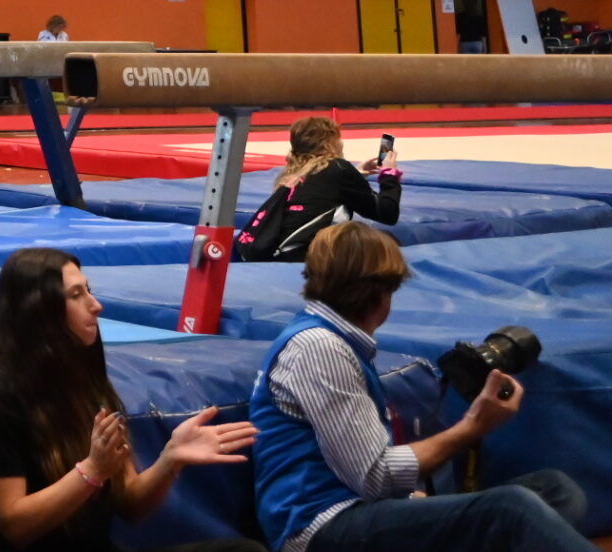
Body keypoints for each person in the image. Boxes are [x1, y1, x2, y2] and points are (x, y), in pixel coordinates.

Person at [250, 222, 591, 552]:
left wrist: (413, 500)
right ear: (383, 291)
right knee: (510, 509)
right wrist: (473, 426)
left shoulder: (337, 340)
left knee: (555, 490)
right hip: (319, 526)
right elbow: (376, 478)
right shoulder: (320, 347)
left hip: (357, 509)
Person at [0, 247, 260, 552]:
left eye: (88, 291)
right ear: (39, 310)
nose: (96, 305)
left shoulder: (86, 382)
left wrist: (170, 459)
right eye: (76, 295)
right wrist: (91, 471)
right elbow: (13, 528)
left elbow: (130, 503)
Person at [239, 119, 403, 264]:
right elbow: (387, 213)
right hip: (298, 258)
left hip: (268, 252)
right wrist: (390, 175)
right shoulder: (338, 169)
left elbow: (322, 192)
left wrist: (357, 174)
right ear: (331, 144)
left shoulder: (293, 172)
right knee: (387, 243)